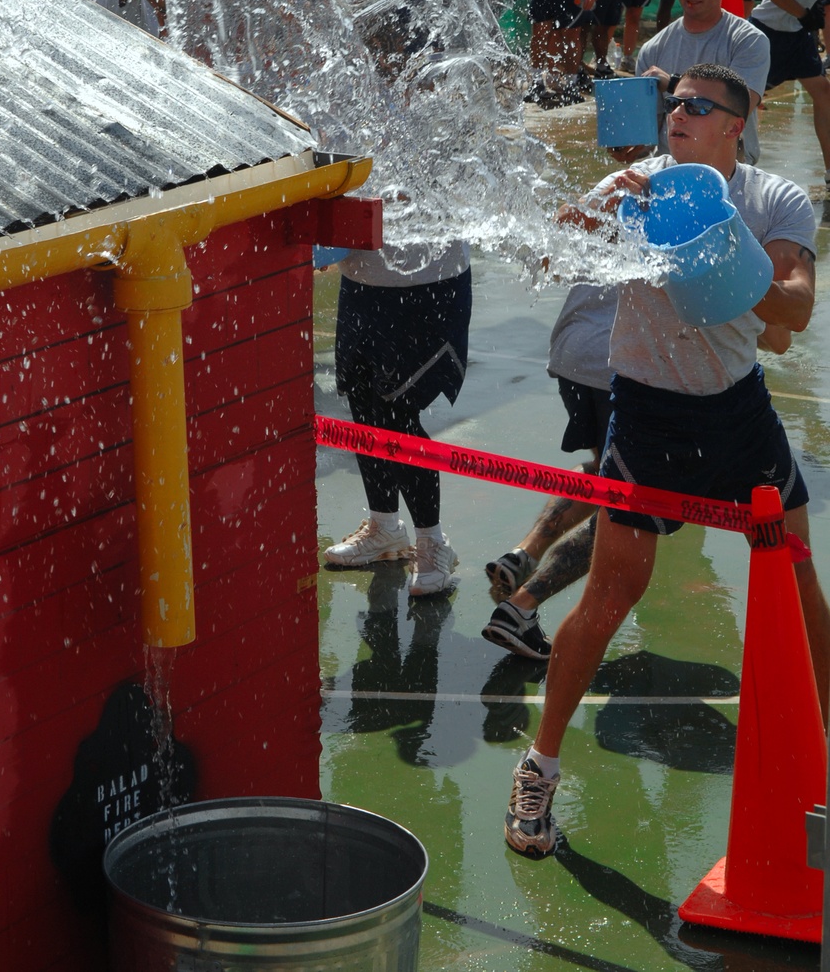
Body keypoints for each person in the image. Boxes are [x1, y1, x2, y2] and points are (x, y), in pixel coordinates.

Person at [504, 64, 830, 860]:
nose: (676, 113)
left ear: (733, 125)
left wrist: (728, 257)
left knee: (794, 579)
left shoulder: (774, 199)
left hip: (738, 412)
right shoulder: (636, 182)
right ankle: (539, 765)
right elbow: (550, 257)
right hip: (648, 411)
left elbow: (795, 306)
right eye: (671, 102)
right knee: (615, 592)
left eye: (695, 105)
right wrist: (590, 218)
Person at [324, 238, 470, 598]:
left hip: (426, 284)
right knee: (363, 410)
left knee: (395, 416)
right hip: (360, 278)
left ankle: (433, 543)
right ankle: (384, 526)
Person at [481, 282, 612, 661]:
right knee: (626, 506)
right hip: (619, 362)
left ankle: (524, 554)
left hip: (574, 349)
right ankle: (519, 608)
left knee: (606, 472)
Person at [635, 0, 770, 164]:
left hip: (729, 164)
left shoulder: (749, 40)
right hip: (672, 165)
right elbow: (648, 130)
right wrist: (629, 145)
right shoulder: (652, 50)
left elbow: (738, 106)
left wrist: (673, 84)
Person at [749, 0, 830, 191]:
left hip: (797, 35)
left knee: (824, 94)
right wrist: (803, 13)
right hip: (769, 33)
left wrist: (810, 13)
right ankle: (727, 166)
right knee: (743, 100)